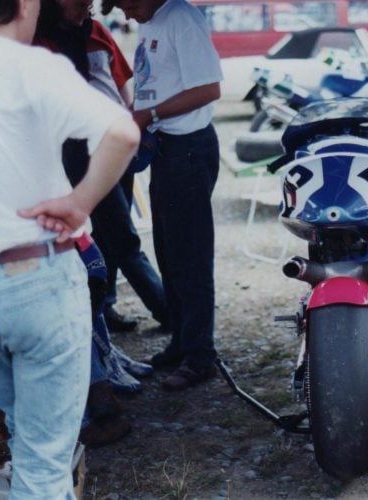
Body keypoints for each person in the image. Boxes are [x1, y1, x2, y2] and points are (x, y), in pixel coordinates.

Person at [0, 0, 140, 496]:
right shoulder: (31, 65)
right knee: (43, 464)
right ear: (25, 4)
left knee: (26, 435)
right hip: (35, 281)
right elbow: (123, 131)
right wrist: (80, 203)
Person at [35, 0, 169, 333]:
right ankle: (167, 312)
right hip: (78, 146)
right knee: (123, 236)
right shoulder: (39, 42)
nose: (85, 5)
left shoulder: (97, 31)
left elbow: (121, 79)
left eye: (88, 1)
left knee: (110, 235)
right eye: (76, 1)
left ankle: (105, 309)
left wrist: (133, 121)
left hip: (118, 139)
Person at [116, 0, 224, 390]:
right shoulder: (150, 22)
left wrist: (150, 115)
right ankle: (181, 341)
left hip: (189, 147)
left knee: (191, 255)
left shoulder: (182, 18)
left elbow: (209, 88)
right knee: (168, 250)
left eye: (125, 4)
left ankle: (200, 355)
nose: (125, 15)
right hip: (164, 146)